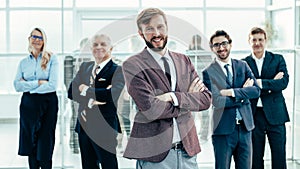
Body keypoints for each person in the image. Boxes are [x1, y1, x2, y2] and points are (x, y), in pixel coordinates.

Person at [122, 8, 212, 169]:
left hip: (187, 151)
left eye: (160, 27)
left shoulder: (183, 60)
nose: (156, 33)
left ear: (167, 27)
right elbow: (151, 109)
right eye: (149, 29)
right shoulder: (132, 65)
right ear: (141, 33)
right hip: (154, 156)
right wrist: (187, 99)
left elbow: (205, 100)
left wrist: (173, 97)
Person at [202, 30, 260, 169]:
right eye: (216, 45)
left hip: (245, 129)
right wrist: (243, 95)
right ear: (212, 48)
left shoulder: (243, 65)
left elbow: (256, 91)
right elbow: (217, 101)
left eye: (224, 43)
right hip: (223, 130)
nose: (221, 48)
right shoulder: (208, 72)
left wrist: (232, 92)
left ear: (230, 44)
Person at [67, 33, 124, 169]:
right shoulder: (85, 67)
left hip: (104, 127)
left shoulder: (118, 70)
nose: (99, 47)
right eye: (95, 44)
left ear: (111, 48)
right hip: (84, 126)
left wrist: (85, 89)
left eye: (103, 44)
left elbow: (110, 96)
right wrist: (91, 101)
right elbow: (71, 92)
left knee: (108, 164)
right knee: (88, 165)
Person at [243, 27, 290, 169]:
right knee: (256, 157)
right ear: (249, 41)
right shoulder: (243, 64)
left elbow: (283, 83)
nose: (257, 43)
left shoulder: (277, 59)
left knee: (279, 155)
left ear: (265, 41)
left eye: (260, 40)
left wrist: (258, 83)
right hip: (254, 115)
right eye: (254, 40)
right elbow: (244, 90)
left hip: (276, 114)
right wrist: (271, 83)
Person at [13, 27, 59, 169]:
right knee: (30, 139)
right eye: (34, 37)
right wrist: (38, 83)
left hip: (47, 102)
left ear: (44, 41)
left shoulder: (52, 58)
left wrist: (28, 86)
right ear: (29, 39)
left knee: (45, 139)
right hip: (28, 104)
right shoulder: (23, 62)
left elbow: (52, 85)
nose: (37, 40)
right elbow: (17, 86)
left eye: (40, 38)